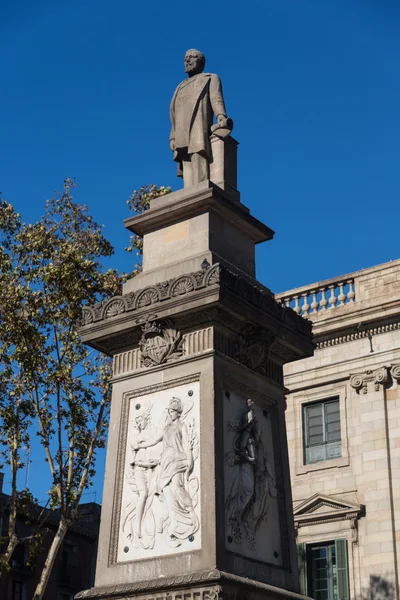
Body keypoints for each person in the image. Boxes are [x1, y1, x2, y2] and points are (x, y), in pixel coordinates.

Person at [134, 397, 199, 547]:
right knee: (168, 493)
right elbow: (156, 440)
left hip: (177, 459)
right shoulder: (166, 428)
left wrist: (190, 461)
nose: (170, 414)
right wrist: (142, 444)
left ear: (178, 412)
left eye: (172, 411)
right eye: (169, 411)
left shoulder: (182, 426)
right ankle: (174, 527)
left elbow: (186, 444)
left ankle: (190, 511)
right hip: (166, 461)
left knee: (177, 487)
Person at [169, 49, 230, 186]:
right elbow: (173, 114)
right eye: (185, 59)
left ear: (200, 61)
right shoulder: (180, 86)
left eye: (191, 57)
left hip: (198, 124)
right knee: (186, 158)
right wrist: (172, 136)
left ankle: (200, 186)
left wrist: (221, 115)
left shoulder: (210, 78)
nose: (187, 61)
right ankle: (189, 190)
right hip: (181, 129)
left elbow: (216, 98)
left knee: (198, 153)